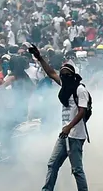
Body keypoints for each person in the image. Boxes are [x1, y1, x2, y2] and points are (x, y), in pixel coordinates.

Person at [27, 43, 89, 191]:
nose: (63, 77)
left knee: (77, 170)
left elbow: (82, 111)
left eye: (67, 75)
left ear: (73, 76)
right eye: (62, 75)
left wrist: (69, 127)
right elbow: (50, 73)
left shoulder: (80, 89)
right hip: (64, 134)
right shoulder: (65, 85)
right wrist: (39, 57)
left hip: (75, 135)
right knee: (52, 164)